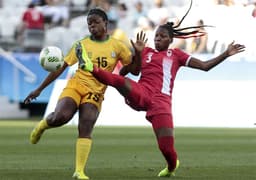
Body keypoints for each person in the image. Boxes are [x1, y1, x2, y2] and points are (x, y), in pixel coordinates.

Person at [75, 1, 245, 178]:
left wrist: (226, 54)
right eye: (156, 36)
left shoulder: (176, 55)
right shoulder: (146, 51)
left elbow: (204, 66)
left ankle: (172, 166)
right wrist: (137, 54)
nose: (158, 39)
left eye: (162, 37)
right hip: (141, 91)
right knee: (121, 81)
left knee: (166, 148)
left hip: (161, 103)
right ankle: (89, 66)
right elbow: (128, 71)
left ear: (171, 40)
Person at [24, 8, 134, 180]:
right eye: (89, 23)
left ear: (105, 23)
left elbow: (132, 69)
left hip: (96, 91)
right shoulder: (81, 45)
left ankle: (79, 171)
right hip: (76, 86)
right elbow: (61, 66)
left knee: (86, 124)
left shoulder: (118, 46)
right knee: (61, 117)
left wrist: (139, 56)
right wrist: (39, 89)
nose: (92, 26)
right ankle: (43, 125)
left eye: (95, 22)